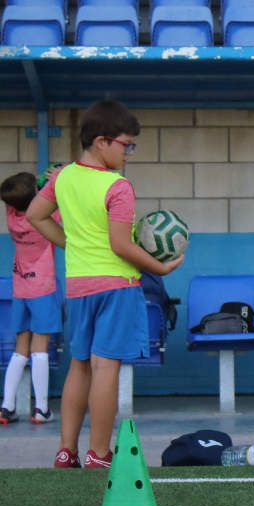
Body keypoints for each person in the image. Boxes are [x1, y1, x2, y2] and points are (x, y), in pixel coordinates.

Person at [27, 99, 184, 468]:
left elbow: (36, 215)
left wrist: (72, 243)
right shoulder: (118, 187)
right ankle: (99, 453)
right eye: (125, 145)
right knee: (106, 367)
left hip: (79, 286)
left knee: (79, 365)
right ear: (102, 141)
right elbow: (121, 244)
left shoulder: (63, 176)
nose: (129, 153)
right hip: (116, 286)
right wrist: (159, 270)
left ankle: (66, 451)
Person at [0, 172, 62, 425]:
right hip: (42, 288)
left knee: (20, 349)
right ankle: (41, 409)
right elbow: (57, 199)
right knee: (40, 348)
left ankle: (7, 406)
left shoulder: (12, 217)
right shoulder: (44, 220)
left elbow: (18, 198)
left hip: (20, 288)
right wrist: (55, 177)